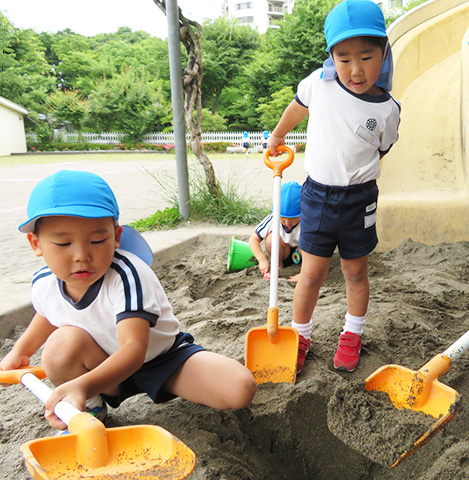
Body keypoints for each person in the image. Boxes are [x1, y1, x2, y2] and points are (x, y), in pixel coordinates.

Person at [0, 170, 257, 431]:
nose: (82, 255)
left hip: (161, 359)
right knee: (58, 347)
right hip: (100, 363)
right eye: (63, 243)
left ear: (116, 236)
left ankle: (90, 391)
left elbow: (134, 350)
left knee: (240, 389)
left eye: (97, 240)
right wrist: (19, 353)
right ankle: (92, 407)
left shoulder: (128, 275)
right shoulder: (44, 282)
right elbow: (49, 313)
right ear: (36, 244)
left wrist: (83, 383)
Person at [267, 0, 400, 374]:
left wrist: (357, 171)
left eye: (366, 56)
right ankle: (301, 334)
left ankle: (352, 334)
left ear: (384, 52)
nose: (355, 69)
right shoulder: (319, 84)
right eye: (344, 58)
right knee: (311, 272)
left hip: (359, 200)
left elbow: (382, 147)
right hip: (317, 194)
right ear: (331, 56)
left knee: (356, 272)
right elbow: (296, 108)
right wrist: (278, 135)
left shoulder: (387, 109)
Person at [248, 181, 302, 283]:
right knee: (270, 238)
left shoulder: (307, 220)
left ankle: (305, 270)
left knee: (309, 239)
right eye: (282, 217)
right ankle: (277, 265)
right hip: (283, 252)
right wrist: (262, 260)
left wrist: (305, 273)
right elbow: (253, 240)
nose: (287, 222)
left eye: (293, 218)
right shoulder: (273, 219)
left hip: (302, 254)